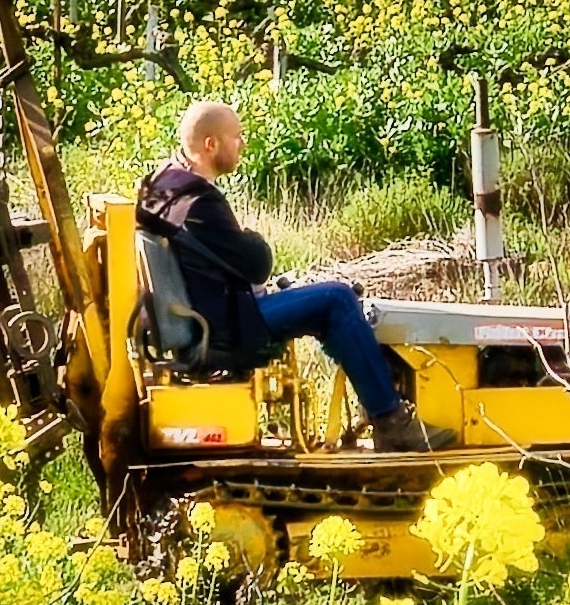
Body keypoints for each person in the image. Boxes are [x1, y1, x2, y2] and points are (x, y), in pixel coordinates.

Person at [136, 95, 442, 450]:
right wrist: (251, 238)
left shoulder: (162, 184)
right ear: (210, 144)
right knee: (337, 298)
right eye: (237, 136)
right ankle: (390, 420)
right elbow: (257, 263)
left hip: (209, 313)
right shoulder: (199, 203)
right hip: (226, 326)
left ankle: (370, 405)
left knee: (320, 300)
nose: (243, 144)